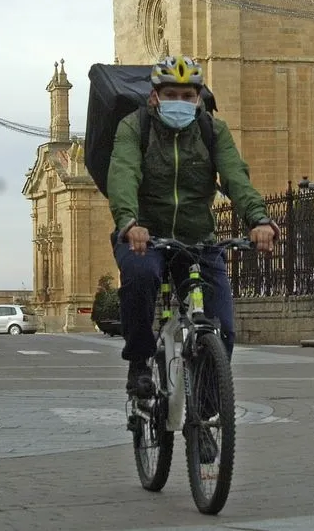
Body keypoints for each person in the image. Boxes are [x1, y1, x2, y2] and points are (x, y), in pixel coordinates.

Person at [106, 55, 280, 397]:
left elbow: (235, 177)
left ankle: (207, 409)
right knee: (140, 278)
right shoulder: (134, 127)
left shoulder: (212, 131)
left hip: (198, 239)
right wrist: (129, 223)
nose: (180, 102)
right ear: (155, 96)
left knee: (222, 328)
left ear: (199, 98)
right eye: (172, 94)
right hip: (145, 237)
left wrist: (258, 219)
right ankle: (140, 361)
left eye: (188, 96)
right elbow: (124, 173)